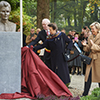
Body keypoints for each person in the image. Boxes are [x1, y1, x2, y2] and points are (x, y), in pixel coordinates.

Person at [81, 22, 100, 96]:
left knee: (99, 77)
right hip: (91, 59)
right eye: (91, 29)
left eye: (93, 29)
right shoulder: (90, 37)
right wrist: (85, 45)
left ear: (97, 29)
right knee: (87, 76)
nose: (92, 30)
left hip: (98, 60)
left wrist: (93, 45)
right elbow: (88, 49)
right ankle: (85, 94)